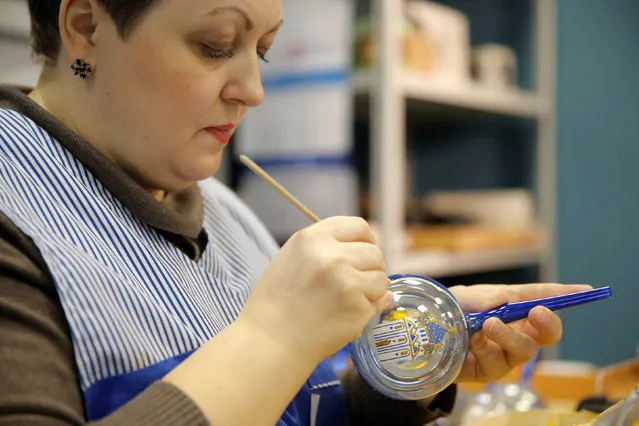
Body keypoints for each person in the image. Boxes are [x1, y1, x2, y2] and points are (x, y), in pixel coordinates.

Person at [0, 0, 591, 425]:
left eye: (262, 49)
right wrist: (272, 339)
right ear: (84, 27)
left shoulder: (226, 210)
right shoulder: (17, 212)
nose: (253, 90)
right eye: (215, 45)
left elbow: (296, 405)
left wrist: (406, 363)